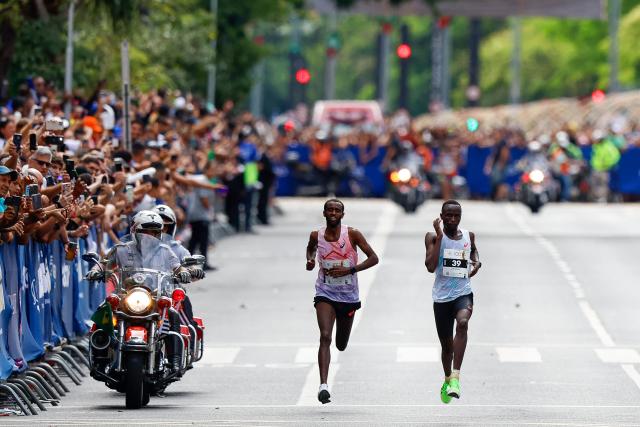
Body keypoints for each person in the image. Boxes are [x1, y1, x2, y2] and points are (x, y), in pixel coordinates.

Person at [305, 199, 379, 404]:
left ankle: (339, 344)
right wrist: (310, 260)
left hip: (348, 296)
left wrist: (350, 269)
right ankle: (323, 385)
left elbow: (374, 258)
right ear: (324, 212)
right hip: (325, 292)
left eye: (337, 210)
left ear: (342, 215)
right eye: (330, 209)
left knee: (341, 343)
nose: (333, 213)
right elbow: (310, 249)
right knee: (325, 336)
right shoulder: (316, 235)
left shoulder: (352, 234)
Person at [424, 200, 481, 403]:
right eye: (448, 215)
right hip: (441, 298)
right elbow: (430, 266)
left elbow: (473, 251)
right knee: (446, 347)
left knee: (463, 323)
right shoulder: (432, 237)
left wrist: (476, 262)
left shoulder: (468, 235)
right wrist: (439, 237)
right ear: (441, 215)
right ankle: (447, 378)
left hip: (463, 293)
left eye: (456, 215)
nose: (452, 219)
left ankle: (456, 377)